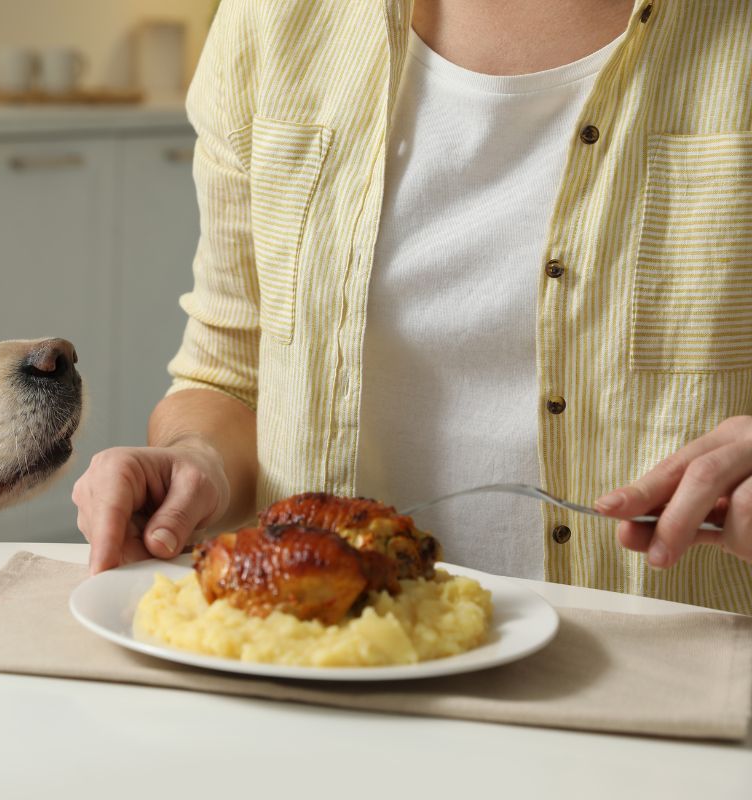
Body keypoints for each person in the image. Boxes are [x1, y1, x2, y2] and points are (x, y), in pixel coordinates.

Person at [73, 0, 752, 614]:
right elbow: (229, 373)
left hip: (676, 694)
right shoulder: (272, 24)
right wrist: (199, 461)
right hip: (332, 685)